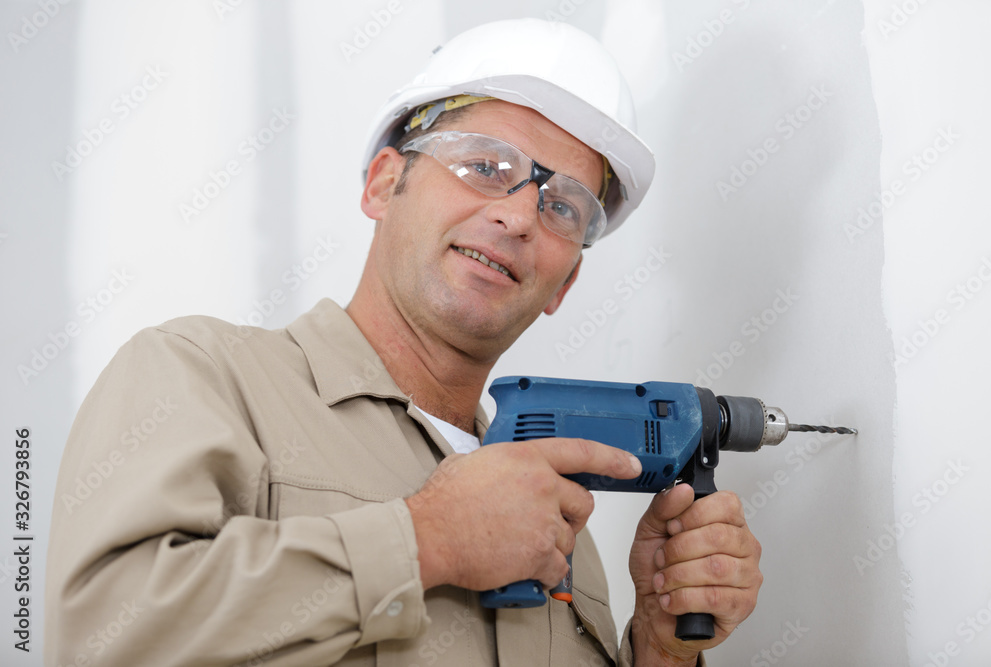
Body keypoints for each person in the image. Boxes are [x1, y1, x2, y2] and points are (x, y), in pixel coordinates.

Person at [45, 18, 762, 667]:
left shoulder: (553, 518)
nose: (517, 215)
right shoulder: (204, 376)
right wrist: (426, 539)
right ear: (385, 185)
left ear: (565, 282)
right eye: (486, 166)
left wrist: (659, 651)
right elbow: (98, 634)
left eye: (562, 206)